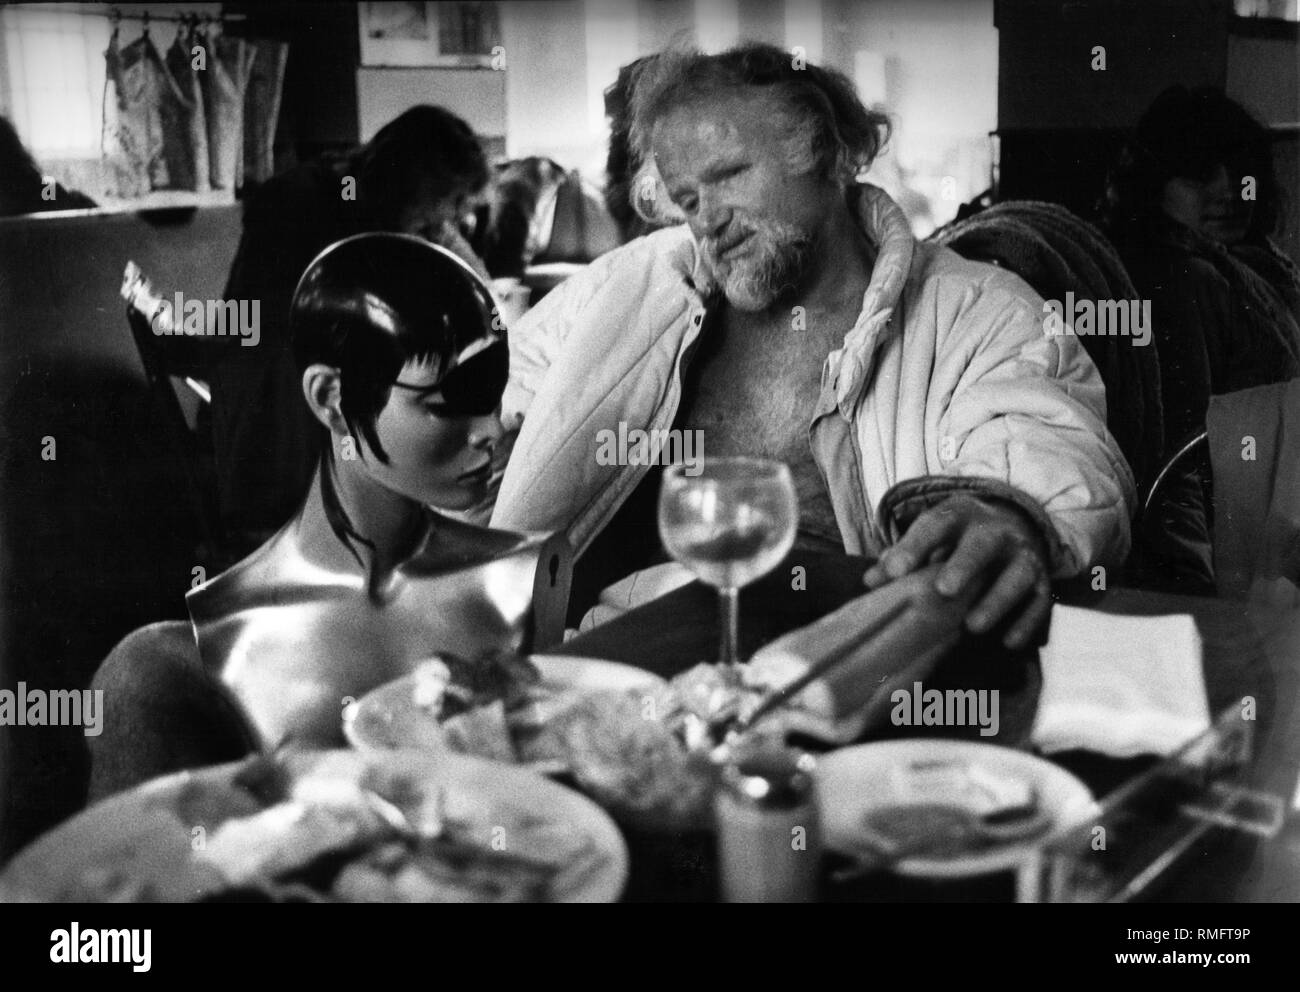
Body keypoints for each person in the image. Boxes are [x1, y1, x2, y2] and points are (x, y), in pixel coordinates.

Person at [488, 44, 1135, 649]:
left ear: (832, 155)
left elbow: (1042, 434)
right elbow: (486, 393)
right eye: (688, 199)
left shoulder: (973, 310)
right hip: (620, 660)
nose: (707, 220)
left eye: (730, 175)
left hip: (847, 664)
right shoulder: (638, 284)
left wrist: (1010, 514)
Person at [88, 234, 568, 797]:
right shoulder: (211, 647)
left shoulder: (532, 575)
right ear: (331, 398)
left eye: (492, 391)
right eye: (447, 402)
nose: (492, 428)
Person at [207, 105, 493, 555]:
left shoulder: (403, 210)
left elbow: (471, 279)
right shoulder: (304, 204)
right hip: (275, 398)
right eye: (447, 202)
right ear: (416, 184)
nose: (451, 219)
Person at [1102, 86, 1300, 594]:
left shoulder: (1255, 267)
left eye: (1239, 172)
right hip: (1241, 564)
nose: (1229, 190)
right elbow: (1180, 461)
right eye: (1198, 173)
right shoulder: (1185, 278)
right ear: (1156, 184)